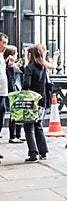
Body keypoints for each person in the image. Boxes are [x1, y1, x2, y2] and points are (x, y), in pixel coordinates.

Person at [22, 44, 49, 163]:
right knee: (38, 125)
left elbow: (26, 85)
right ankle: (43, 151)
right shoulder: (43, 67)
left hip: (31, 100)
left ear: (30, 55)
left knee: (28, 127)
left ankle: (33, 153)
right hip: (41, 100)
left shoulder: (30, 68)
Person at [4, 45, 25, 143]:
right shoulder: (8, 67)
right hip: (13, 91)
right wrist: (12, 66)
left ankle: (18, 134)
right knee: (14, 113)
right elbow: (11, 78)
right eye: (15, 53)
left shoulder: (15, 66)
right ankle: (12, 136)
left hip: (19, 90)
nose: (17, 54)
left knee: (19, 112)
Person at [0, 32, 14, 160]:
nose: (5, 45)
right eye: (3, 42)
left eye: (6, 43)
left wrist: (7, 63)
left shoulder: (1, 56)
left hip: (3, 93)